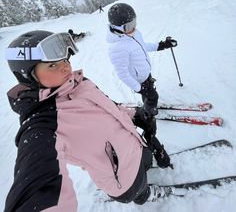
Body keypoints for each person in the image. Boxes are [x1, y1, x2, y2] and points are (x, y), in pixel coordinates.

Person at [4, 30, 171, 211]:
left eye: (66, 60)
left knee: (144, 165)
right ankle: (145, 196)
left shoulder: (79, 84)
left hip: (136, 147)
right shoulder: (42, 126)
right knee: (139, 190)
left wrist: (135, 115)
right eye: (52, 65)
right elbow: (40, 188)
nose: (66, 68)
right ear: (28, 75)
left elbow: (108, 107)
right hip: (123, 181)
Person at [106, 2, 177, 118]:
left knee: (149, 92)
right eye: (129, 26)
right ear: (117, 28)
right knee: (153, 96)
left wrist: (161, 45)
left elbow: (142, 46)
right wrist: (139, 88)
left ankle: (146, 102)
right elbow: (122, 74)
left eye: (134, 23)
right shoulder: (117, 48)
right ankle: (148, 114)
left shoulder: (133, 33)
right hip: (139, 80)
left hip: (145, 72)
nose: (133, 27)